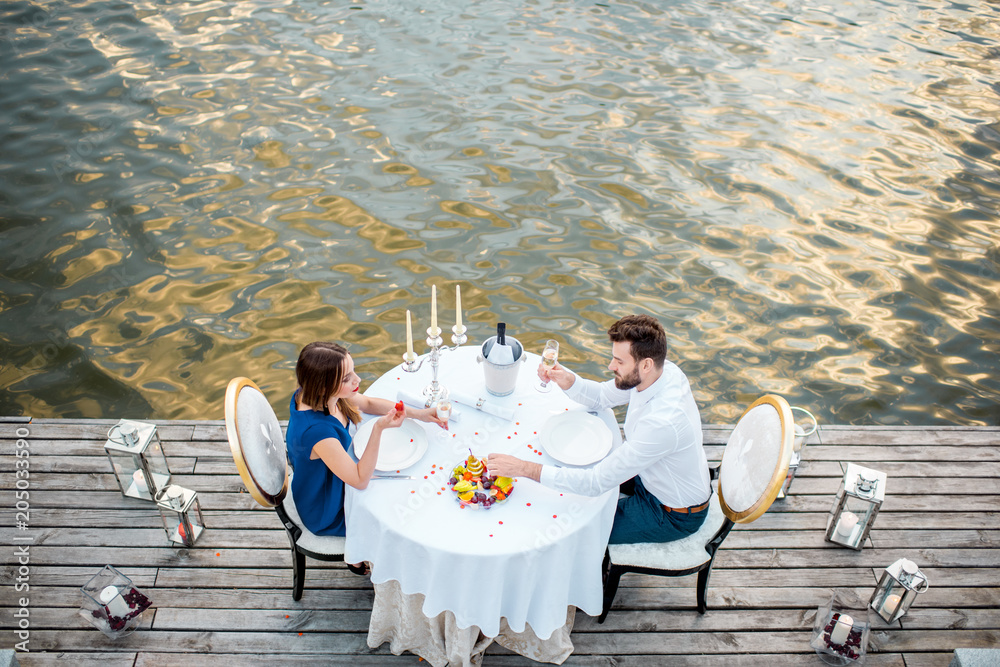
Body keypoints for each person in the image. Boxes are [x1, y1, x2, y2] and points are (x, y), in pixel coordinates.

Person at [487, 315, 711, 544]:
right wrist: (566, 379)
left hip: (671, 512)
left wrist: (523, 468)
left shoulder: (662, 422)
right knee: (564, 464)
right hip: (648, 476)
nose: (611, 366)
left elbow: (595, 483)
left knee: (574, 530)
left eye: (619, 362)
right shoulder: (659, 372)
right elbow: (603, 396)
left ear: (646, 364)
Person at [285, 342, 445, 573]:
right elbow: (360, 480)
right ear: (323, 385)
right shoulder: (317, 432)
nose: (357, 380)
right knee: (404, 512)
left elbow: (368, 403)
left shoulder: (321, 395)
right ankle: (361, 556)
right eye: (347, 379)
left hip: (340, 473)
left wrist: (419, 414)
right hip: (328, 502)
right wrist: (379, 429)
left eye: (353, 372)